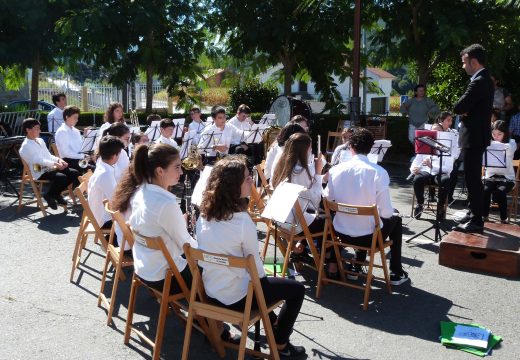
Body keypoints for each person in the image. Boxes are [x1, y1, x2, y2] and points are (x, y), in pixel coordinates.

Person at [196, 156, 306, 358]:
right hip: (237, 299)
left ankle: (273, 327)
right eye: (247, 178)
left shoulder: (203, 215)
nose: (251, 181)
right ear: (233, 186)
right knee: (297, 290)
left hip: (212, 292)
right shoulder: (242, 222)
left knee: (266, 285)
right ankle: (281, 343)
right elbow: (257, 274)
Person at [324, 127, 409, 285]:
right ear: (371, 149)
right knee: (395, 217)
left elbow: (328, 199)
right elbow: (385, 212)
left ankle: (356, 263)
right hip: (368, 238)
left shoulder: (335, 170)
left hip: (341, 234)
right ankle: (396, 272)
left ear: (350, 146)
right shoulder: (379, 172)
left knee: (366, 215)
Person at [111, 143, 197, 296]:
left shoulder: (140, 191)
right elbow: (188, 247)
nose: (182, 171)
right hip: (167, 277)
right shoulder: (166, 205)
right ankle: (200, 317)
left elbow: (154, 225)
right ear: (160, 171)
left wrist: (179, 224)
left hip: (145, 269)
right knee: (215, 275)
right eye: (177, 167)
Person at [452, 44, 494, 234]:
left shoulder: (479, 81)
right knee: (471, 178)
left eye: (464, 63)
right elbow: (464, 108)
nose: (463, 66)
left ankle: (477, 220)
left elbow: (459, 107)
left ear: (473, 62)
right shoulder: (483, 79)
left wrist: (465, 110)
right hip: (476, 136)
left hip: (474, 137)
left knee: (473, 179)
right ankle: (472, 212)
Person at [271, 133, 326, 260]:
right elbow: (314, 202)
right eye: (310, 148)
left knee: (313, 214)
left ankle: (299, 248)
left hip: (279, 219)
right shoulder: (300, 170)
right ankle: (329, 261)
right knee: (329, 221)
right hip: (294, 223)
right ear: (305, 150)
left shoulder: (283, 164)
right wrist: (318, 173)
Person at [18, 118, 80, 210]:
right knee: (62, 178)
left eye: (39, 128)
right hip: (37, 169)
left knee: (74, 173)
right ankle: (53, 195)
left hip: (49, 166)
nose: (40, 130)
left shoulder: (40, 140)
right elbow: (39, 160)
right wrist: (55, 164)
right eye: (37, 128)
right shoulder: (26, 146)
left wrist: (59, 160)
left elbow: (48, 155)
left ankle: (53, 194)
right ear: (28, 130)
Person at [87, 136, 125, 243]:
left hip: (102, 213)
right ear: (114, 156)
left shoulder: (104, 166)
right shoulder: (105, 173)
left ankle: (115, 239)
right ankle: (114, 240)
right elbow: (116, 201)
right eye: (119, 154)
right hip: (103, 219)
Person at [483, 121, 517, 224]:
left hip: (507, 178)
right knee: (485, 190)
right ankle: (484, 216)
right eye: (493, 133)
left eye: (499, 134)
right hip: (491, 176)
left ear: (505, 134)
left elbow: (510, 149)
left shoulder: (512, 142)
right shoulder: (488, 142)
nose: (496, 136)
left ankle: (503, 219)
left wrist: (494, 144)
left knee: (501, 191)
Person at [410, 151, 454, 220]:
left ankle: (440, 206)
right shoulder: (424, 149)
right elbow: (415, 162)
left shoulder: (447, 150)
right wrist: (414, 169)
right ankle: (420, 203)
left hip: (440, 173)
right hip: (425, 172)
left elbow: (448, 169)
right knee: (418, 179)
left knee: (446, 180)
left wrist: (432, 166)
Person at [55, 105, 92, 172]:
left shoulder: (76, 131)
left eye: (77, 118)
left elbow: (81, 147)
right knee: (92, 168)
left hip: (77, 158)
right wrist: (83, 156)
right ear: (67, 117)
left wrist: (85, 136)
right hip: (67, 160)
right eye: (75, 118)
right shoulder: (62, 131)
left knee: (97, 163)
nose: (77, 120)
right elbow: (66, 153)